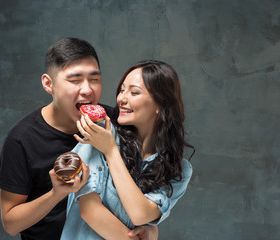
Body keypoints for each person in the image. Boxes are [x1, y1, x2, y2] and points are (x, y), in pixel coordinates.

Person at [0, 38, 158, 239]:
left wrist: (150, 226)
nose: (87, 90)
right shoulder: (21, 140)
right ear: (49, 84)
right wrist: (56, 193)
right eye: (74, 80)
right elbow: (11, 224)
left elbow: (144, 188)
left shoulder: (115, 122)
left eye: (94, 79)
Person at [60, 60, 195, 239]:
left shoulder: (179, 169)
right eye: (122, 90)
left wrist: (110, 152)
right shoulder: (101, 132)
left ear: (160, 105)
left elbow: (140, 214)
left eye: (134, 92)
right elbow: (90, 210)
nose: (122, 98)